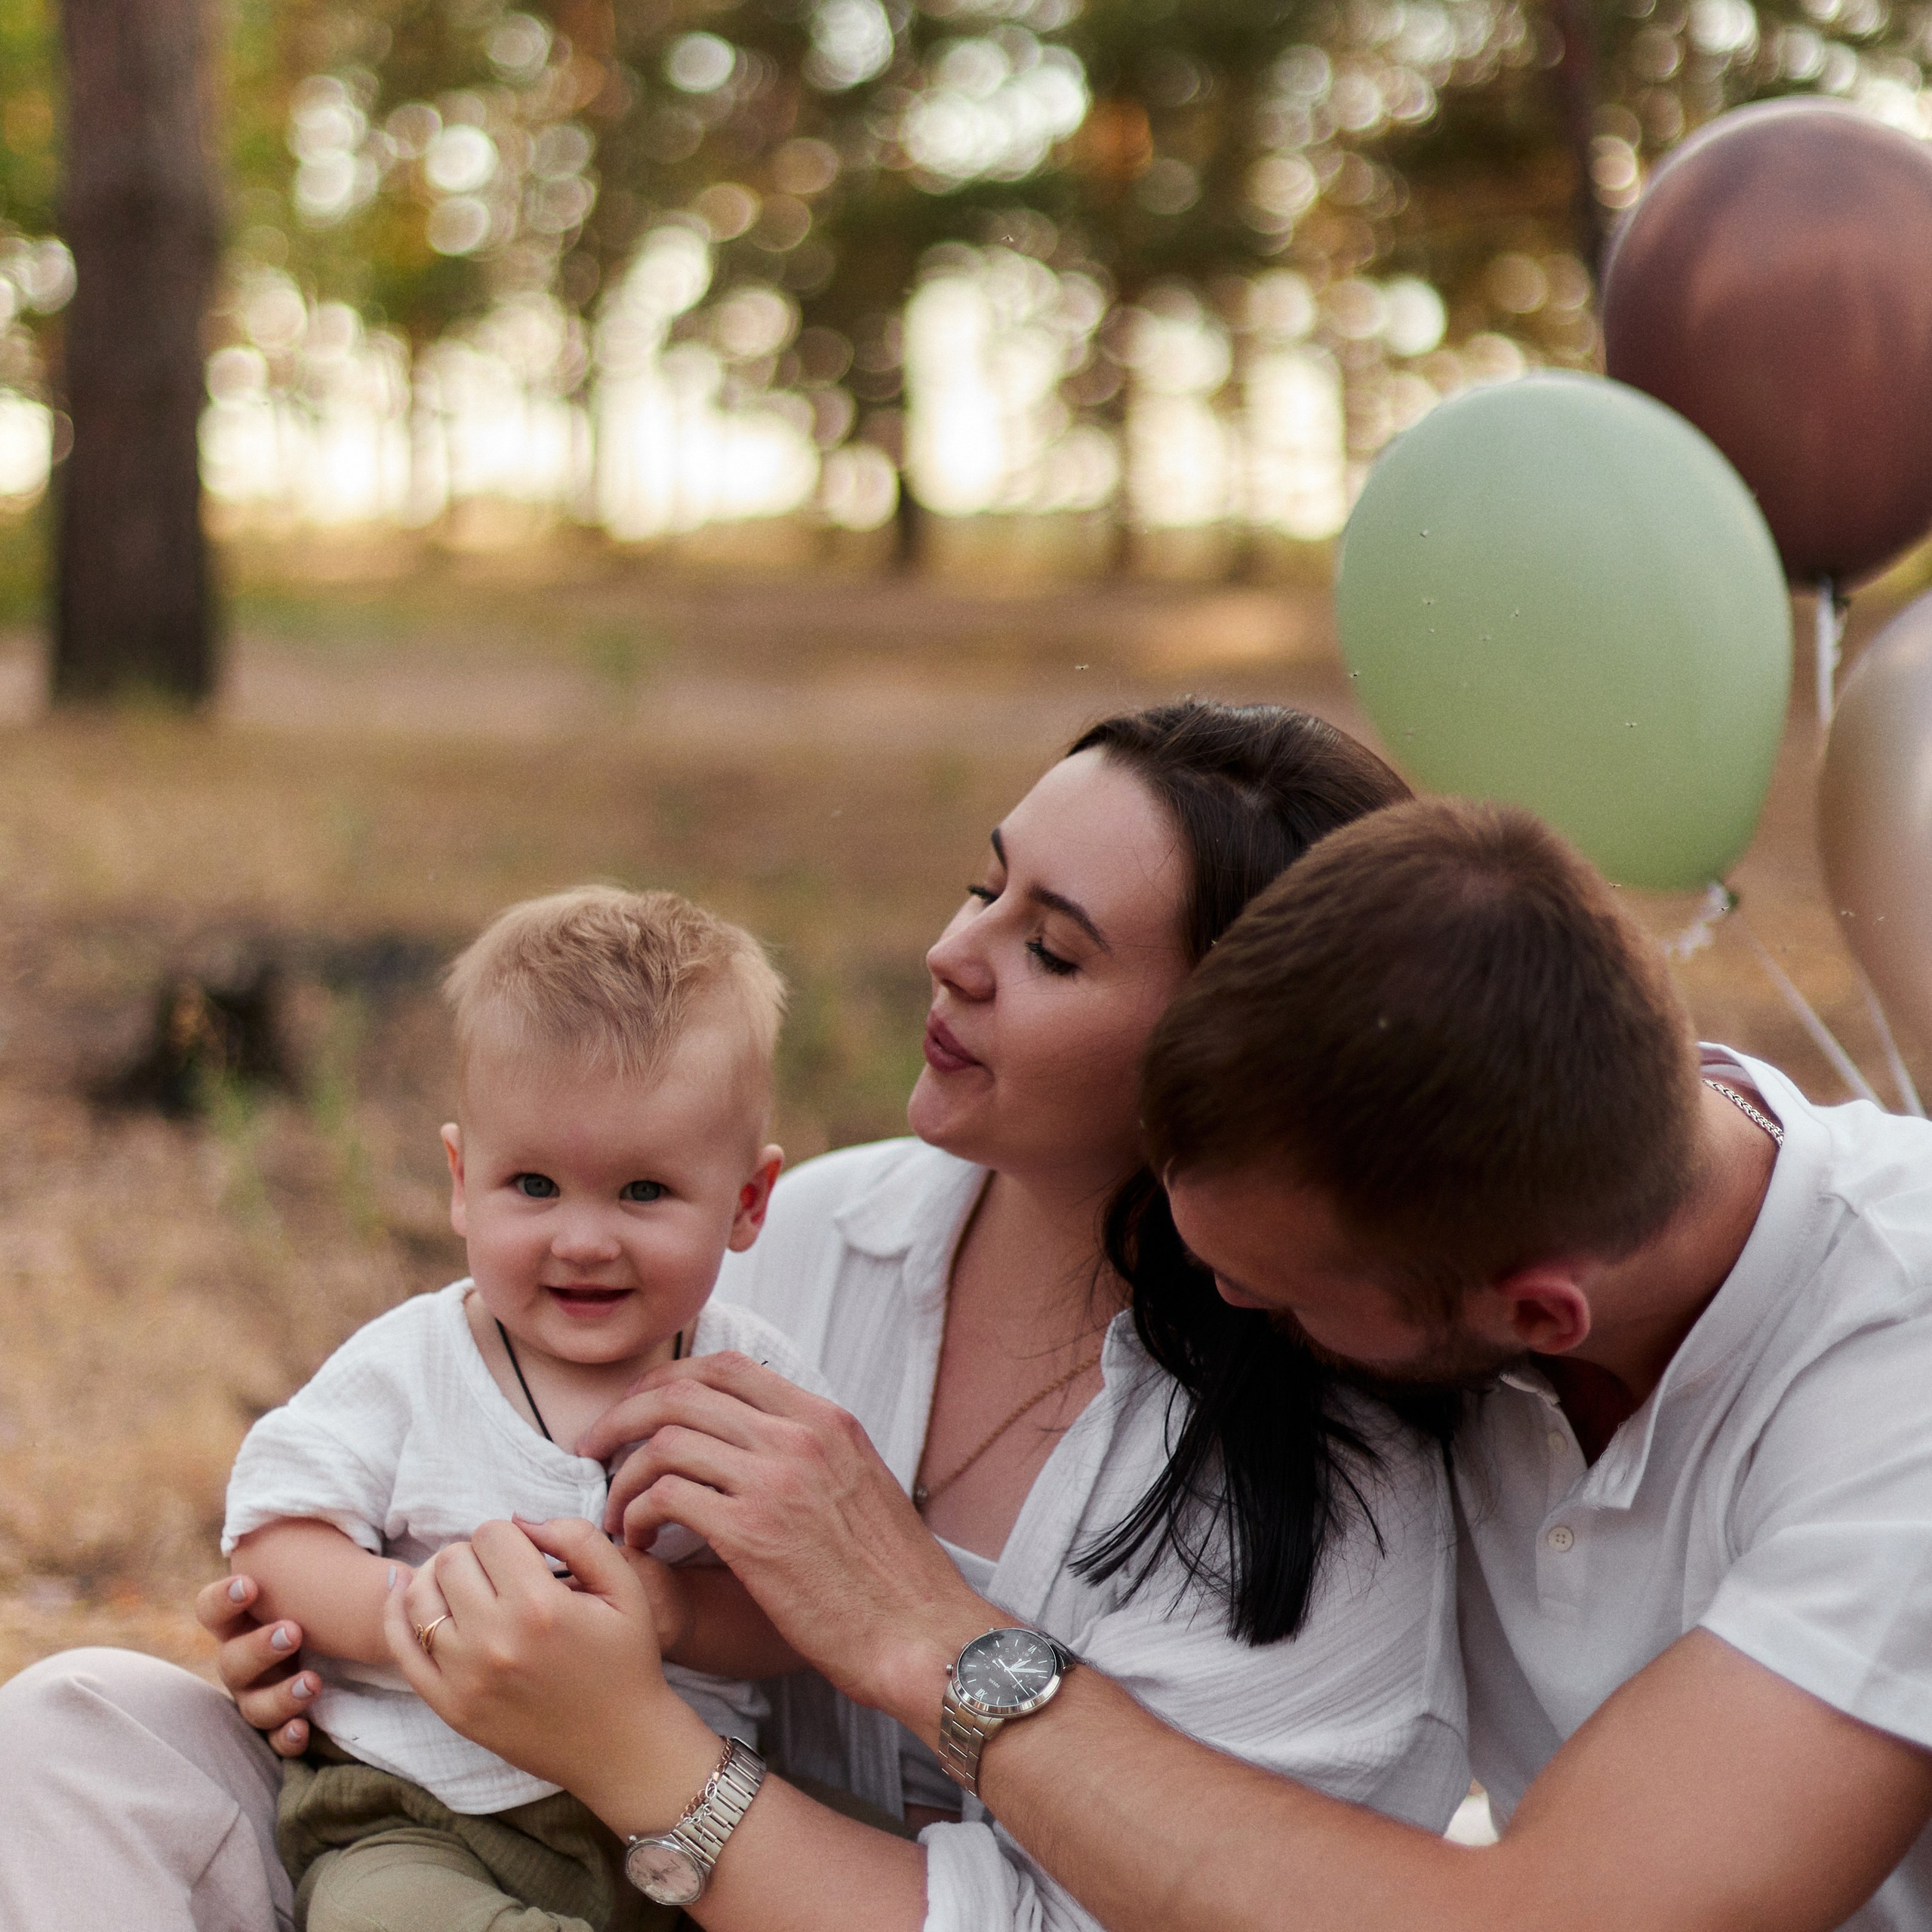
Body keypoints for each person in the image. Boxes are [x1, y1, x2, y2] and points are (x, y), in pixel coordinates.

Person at [0, 702, 1469, 1932]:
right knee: (84, 1728)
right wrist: (362, 1640)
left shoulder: (1325, 1506)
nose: (951, 954)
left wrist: (636, 1745)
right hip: (465, 1836)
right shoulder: (815, 1233)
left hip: (697, 1882)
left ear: (1229, 1047)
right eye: (985, 888)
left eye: (1052, 949)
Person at [422, 795, 1932, 1932]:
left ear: (1534, 1315)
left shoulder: (1894, 1381)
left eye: (1257, 1291)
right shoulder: (1507, 1158)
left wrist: (930, 1637)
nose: (1191, 1313)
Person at [223, 884, 823, 1932]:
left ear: (748, 1203)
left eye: (643, 1192)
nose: (583, 1239)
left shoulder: (753, 1388)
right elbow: (276, 1539)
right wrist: (426, 1615)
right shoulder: (416, 1364)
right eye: (534, 1185)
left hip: (678, 1830)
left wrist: (673, 1608)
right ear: (462, 1181)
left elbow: (797, 1614)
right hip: (425, 1813)